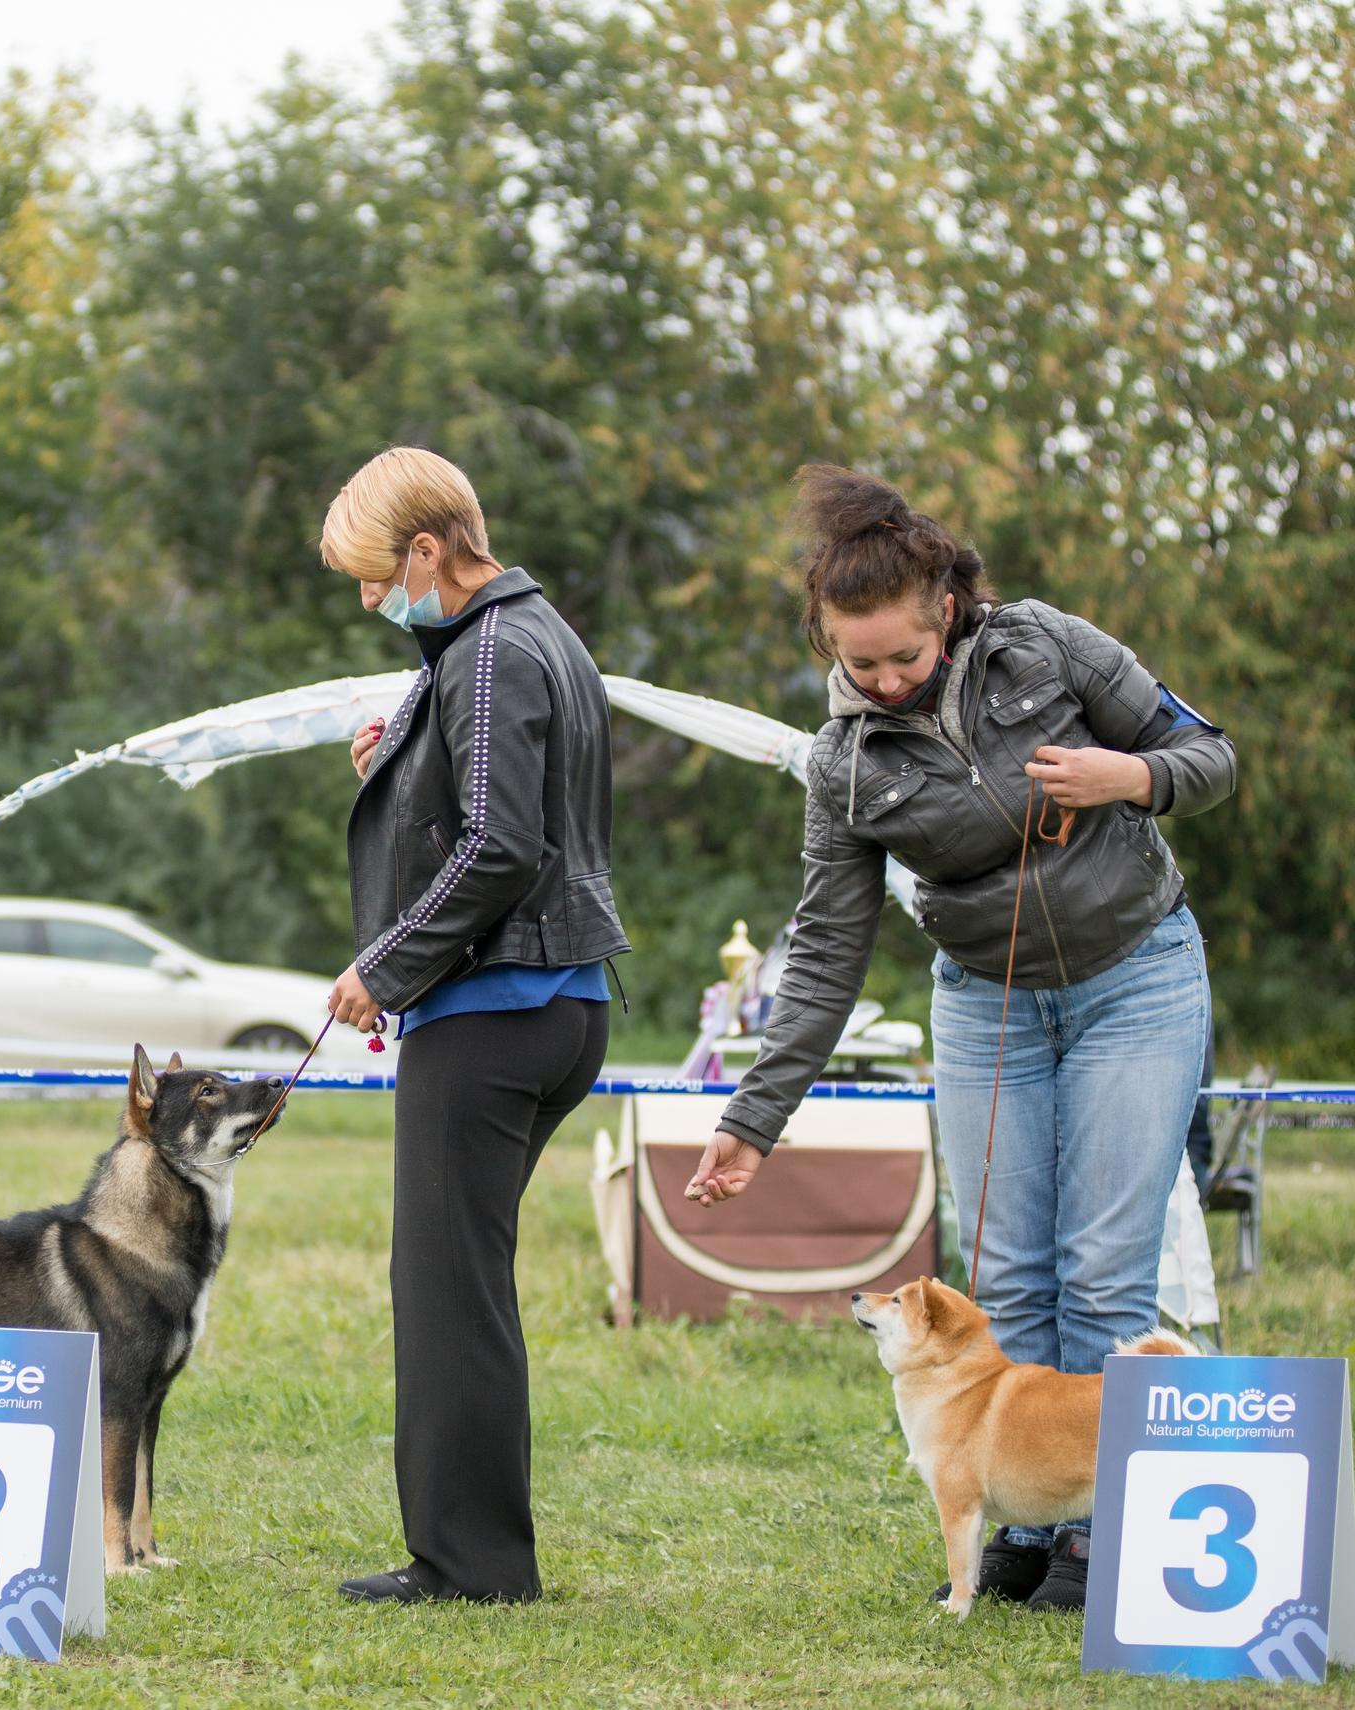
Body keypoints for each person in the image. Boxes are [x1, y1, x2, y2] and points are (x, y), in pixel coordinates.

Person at [684, 465, 1237, 1613]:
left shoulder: (1049, 649)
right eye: (857, 663)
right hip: (986, 998)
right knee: (1004, 1279)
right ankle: (1021, 1523)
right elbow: (828, 946)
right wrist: (752, 1119)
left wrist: (1127, 773)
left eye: (901, 657)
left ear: (943, 609)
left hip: (1137, 978)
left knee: (1101, 1270)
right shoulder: (841, 765)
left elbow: (1209, 755)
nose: (882, 682)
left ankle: (1095, 1529)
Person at [320, 447, 626, 1605]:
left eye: (370, 578)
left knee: (448, 1295)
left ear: (427, 551)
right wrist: (397, 765)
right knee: (468, 1286)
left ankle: (469, 1566)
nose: (367, 602)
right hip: (559, 1002)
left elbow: (503, 848)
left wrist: (385, 969)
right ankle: (475, 1551)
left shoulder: (488, 651)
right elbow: (504, 807)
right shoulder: (533, 633)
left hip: (497, 1007)